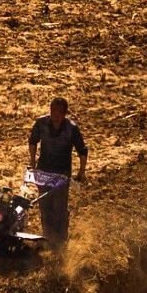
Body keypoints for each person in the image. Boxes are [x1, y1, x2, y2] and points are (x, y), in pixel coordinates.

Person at [27, 97, 88, 246]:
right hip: (44, 172)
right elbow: (33, 141)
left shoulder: (71, 129)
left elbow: (82, 150)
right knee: (44, 206)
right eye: (52, 110)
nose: (54, 114)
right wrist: (33, 163)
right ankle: (47, 237)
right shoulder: (41, 124)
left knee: (59, 209)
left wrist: (81, 172)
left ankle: (61, 242)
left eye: (58, 112)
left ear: (64, 114)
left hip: (61, 174)